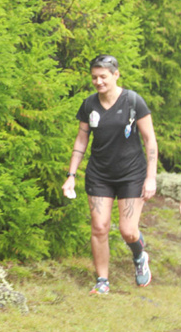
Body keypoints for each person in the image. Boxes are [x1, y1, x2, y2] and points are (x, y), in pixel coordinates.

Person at [62, 55, 158, 295]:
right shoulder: (89, 105)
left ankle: (139, 255)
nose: (98, 82)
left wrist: (151, 177)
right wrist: (71, 174)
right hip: (99, 175)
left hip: (131, 174)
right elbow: (81, 139)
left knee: (128, 231)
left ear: (116, 75)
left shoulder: (134, 101)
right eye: (94, 77)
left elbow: (150, 140)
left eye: (103, 77)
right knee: (99, 227)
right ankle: (102, 280)